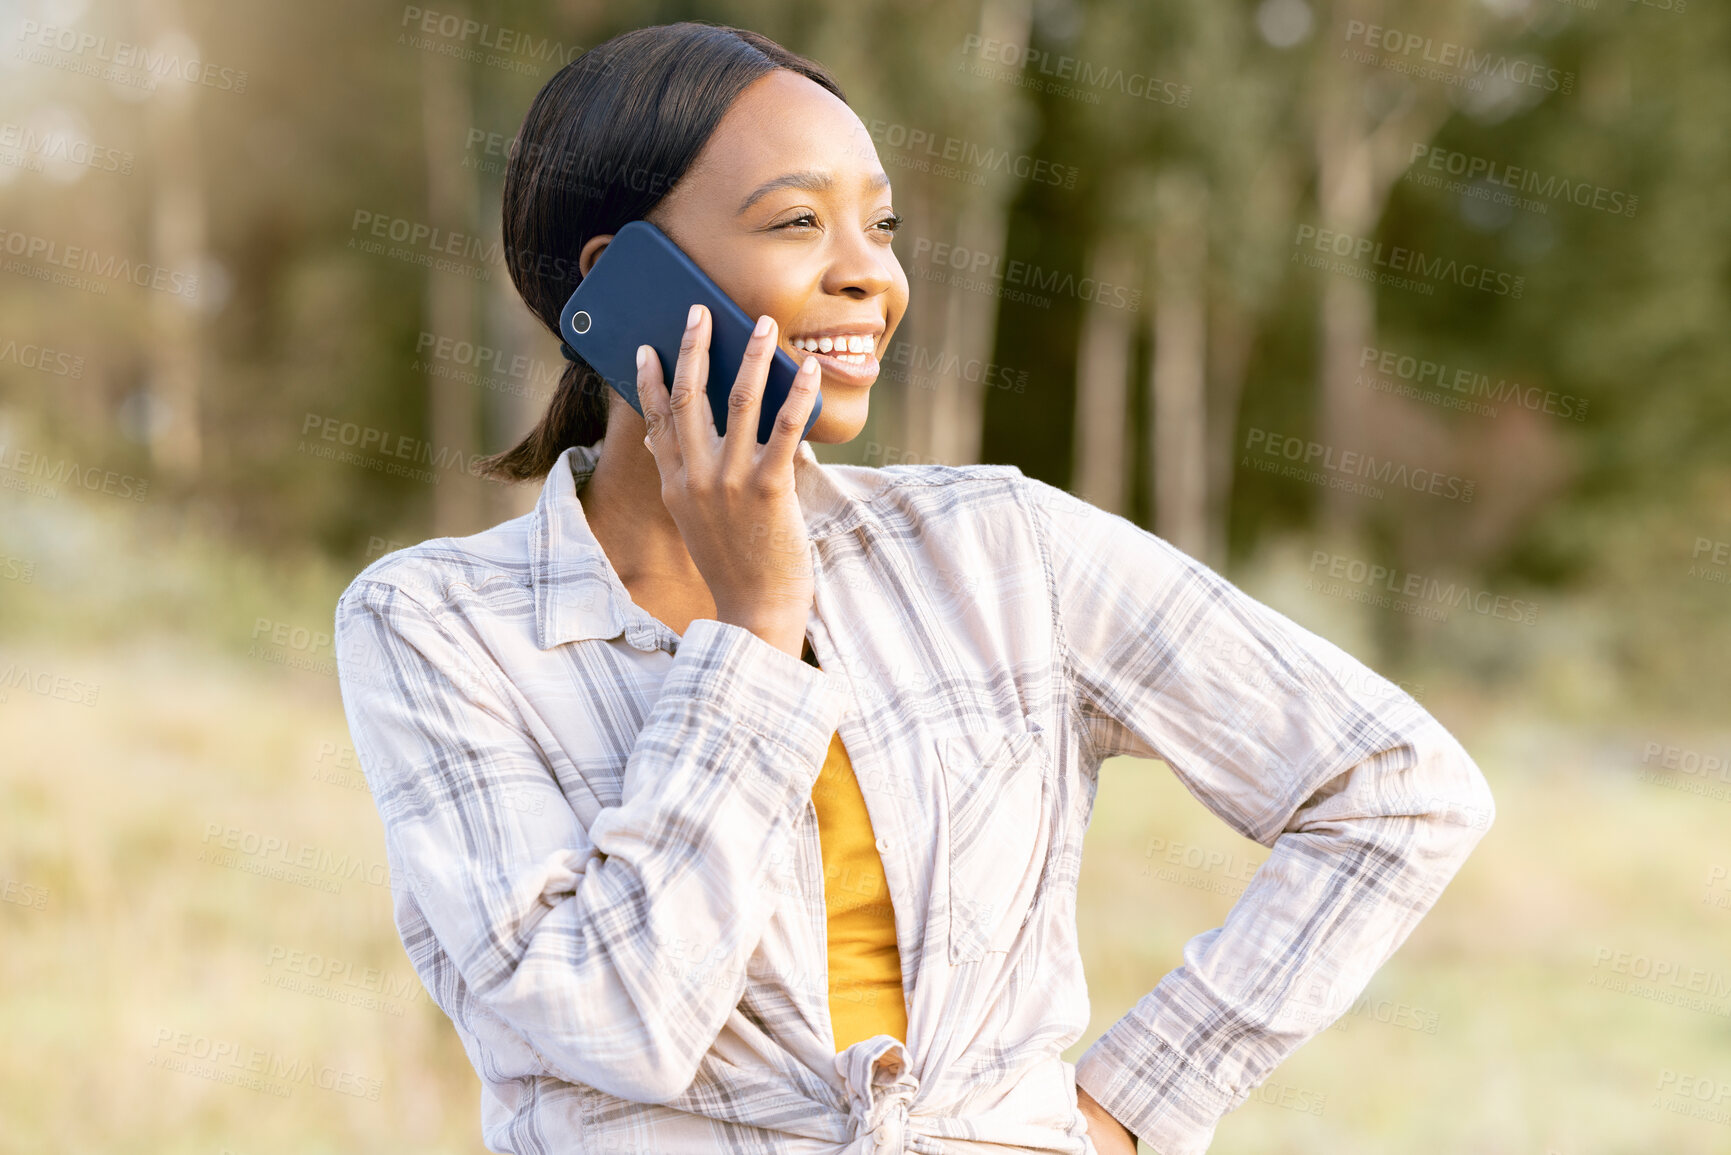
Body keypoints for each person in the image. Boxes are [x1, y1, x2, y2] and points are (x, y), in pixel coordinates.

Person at [333, 20, 1495, 1155]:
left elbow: (1398, 788)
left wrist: (1132, 1109)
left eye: (880, 226)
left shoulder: (1000, 548)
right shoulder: (436, 625)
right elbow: (610, 1026)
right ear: (623, 278)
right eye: (798, 222)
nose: (870, 277)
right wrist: (756, 631)